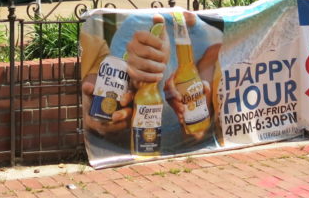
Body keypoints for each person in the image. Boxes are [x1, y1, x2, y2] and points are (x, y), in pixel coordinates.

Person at [81, 11, 222, 149]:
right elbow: (116, 92)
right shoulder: (139, 23)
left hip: (191, 150)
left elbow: (201, 133)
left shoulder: (216, 37)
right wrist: (138, 76)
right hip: (142, 148)